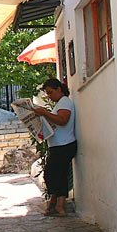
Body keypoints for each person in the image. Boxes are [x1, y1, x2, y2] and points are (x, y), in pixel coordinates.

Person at [32, 78, 77, 217]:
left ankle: (56, 203)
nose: (50, 96)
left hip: (64, 145)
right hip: (59, 145)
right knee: (60, 176)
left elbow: (63, 120)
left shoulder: (65, 102)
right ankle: (58, 206)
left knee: (51, 175)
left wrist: (45, 113)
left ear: (59, 89)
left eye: (51, 93)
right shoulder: (60, 103)